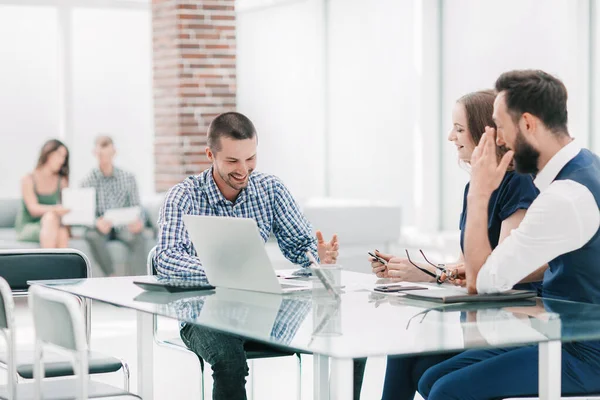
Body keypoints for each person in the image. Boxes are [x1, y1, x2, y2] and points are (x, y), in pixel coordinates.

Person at [418, 70, 600, 399]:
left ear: (527, 124)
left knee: (446, 390)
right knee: (433, 378)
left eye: (501, 127)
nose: (498, 140)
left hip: (585, 353)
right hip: (563, 334)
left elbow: (481, 283)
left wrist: (479, 193)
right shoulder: (588, 167)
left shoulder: (564, 197)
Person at [154, 111, 352, 400]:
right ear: (210, 154)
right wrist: (224, 274)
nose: (243, 169)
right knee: (230, 361)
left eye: (251, 159)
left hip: (262, 313)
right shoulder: (183, 196)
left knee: (350, 342)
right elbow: (167, 259)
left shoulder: (269, 189)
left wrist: (318, 257)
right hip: (203, 315)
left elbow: (301, 245)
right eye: (232, 161)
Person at [371, 90, 540, 400]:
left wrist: (435, 273)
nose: (451, 137)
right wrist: (420, 271)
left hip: (514, 323)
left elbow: (500, 274)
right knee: (403, 353)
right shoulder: (475, 185)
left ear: (484, 133)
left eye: (459, 129)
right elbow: (468, 264)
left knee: (429, 377)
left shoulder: (519, 183)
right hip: (484, 317)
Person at [81, 135, 146, 276]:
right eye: (100, 154)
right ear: (95, 154)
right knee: (91, 235)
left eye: (107, 154)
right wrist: (96, 222)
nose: (104, 158)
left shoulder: (128, 178)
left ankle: (142, 279)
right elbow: (86, 213)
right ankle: (112, 276)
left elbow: (137, 206)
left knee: (139, 238)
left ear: (114, 152)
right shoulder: (87, 181)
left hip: (124, 226)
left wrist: (139, 221)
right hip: (102, 228)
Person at [16, 139, 70, 248]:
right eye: (59, 155)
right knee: (50, 217)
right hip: (29, 226)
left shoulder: (62, 181)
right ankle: (48, 264)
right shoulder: (28, 179)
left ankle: (57, 265)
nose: (62, 160)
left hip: (52, 225)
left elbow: (66, 209)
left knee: (63, 232)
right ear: (48, 153)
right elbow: (33, 209)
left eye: (64, 157)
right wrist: (55, 209)